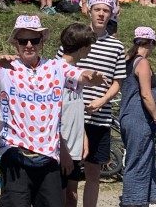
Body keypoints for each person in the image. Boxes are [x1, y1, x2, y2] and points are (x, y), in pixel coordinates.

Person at [0, 15, 90, 207]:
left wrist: (91, 77)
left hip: (49, 156)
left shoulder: (55, 66)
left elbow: (80, 76)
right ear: (16, 43)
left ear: (41, 41)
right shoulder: (5, 67)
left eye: (34, 40)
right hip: (15, 154)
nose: (29, 45)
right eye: (23, 40)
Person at [60, 0, 126, 207]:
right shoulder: (75, 38)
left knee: (94, 171)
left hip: (99, 116)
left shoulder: (116, 46)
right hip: (72, 117)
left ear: (111, 14)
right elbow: (59, 71)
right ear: (89, 11)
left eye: (106, 11)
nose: (101, 14)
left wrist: (103, 99)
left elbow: (118, 81)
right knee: (70, 174)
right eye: (97, 9)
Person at [119, 27, 156, 207]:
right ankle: (134, 201)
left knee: (147, 156)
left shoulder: (128, 60)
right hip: (139, 116)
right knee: (138, 159)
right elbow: (146, 95)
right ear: (152, 43)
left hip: (127, 115)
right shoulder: (142, 63)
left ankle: (149, 197)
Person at [59, 23, 97, 207]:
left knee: (72, 194)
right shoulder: (57, 71)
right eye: (89, 46)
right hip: (60, 146)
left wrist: (83, 135)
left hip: (74, 142)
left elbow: (74, 108)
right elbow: (54, 114)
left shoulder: (76, 71)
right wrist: (63, 150)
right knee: (58, 195)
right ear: (83, 48)